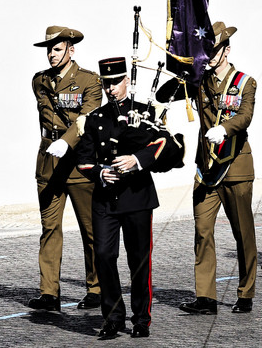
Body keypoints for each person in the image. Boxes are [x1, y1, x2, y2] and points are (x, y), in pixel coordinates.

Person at [76, 57, 183, 340]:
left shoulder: (145, 112)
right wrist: (100, 172)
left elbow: (168, 145)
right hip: (106, 199)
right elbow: (83, 160)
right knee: (103, 255)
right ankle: (112, 317)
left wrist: (137, 159)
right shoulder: (96, 119)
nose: (111, 89)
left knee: (138, 260)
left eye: (115, 82)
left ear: (127, 81)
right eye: (106, 84)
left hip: (136, 197)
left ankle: (141, 318)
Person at [179, 21, 257, 316]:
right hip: (206, 168)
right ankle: (206, 297)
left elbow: (245, 116)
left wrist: (224, 128)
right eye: (205, 50)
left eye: (214, 50)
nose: (209, 55)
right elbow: (167, 93)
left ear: (227, 50)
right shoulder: (200, 80)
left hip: (234, 164)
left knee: (243, 233)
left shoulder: (245, 82)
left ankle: (246, 292)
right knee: (202, 230)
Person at [29, 26, 102, 311]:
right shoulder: (39, 81)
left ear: (71, 49)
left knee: (91, 229)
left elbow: (88, 117)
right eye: (49, 50)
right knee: (49, 228)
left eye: (57, 49)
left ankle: (96, 288)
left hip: (78, 162)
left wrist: (67, 141)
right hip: (49, 161)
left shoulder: (89, 81)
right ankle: (49, 293)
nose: (51, 54)